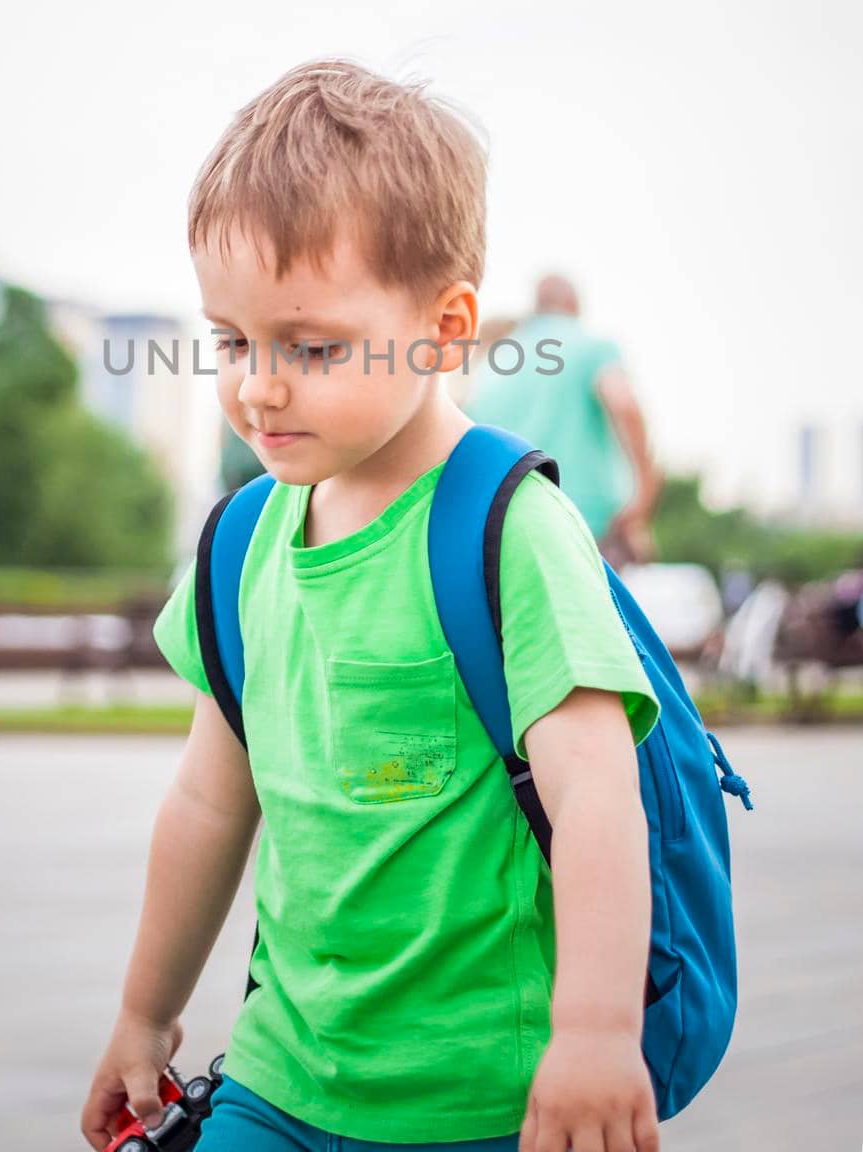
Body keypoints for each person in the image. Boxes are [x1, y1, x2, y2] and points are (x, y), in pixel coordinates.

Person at [81, 60, 663, 1152]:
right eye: (232, 339)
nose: (258, 383)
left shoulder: (506, 531)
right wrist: (142, 1012)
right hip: (277, 1077)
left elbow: (596, 797)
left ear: (445, 330)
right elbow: (210, 803)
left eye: (310, 345)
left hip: (482, 1106)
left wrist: (593, 1031)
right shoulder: (241, 542)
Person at [466, 276, 661, 568]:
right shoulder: (591, 346)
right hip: (584, 522)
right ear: (574, 305)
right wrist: (645, 490)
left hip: (507, 527)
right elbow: (624, 404)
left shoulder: (498, 361)